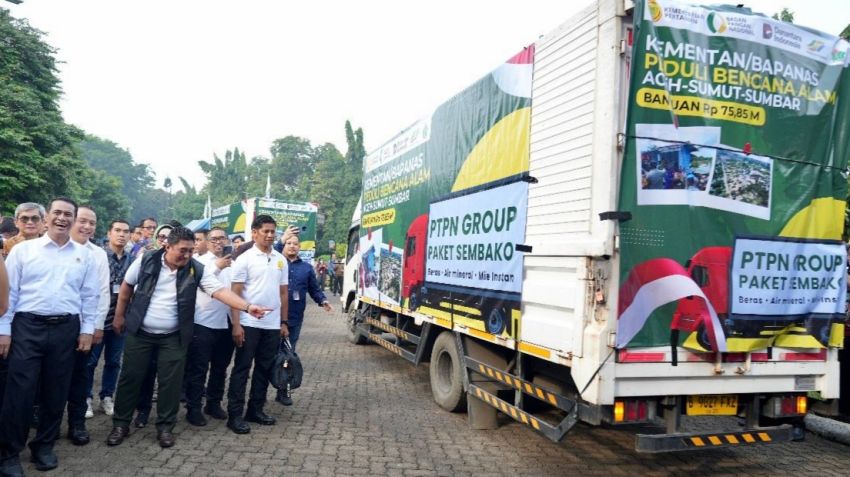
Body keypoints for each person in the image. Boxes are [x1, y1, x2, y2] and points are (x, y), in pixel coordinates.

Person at [106, 227, 269, 448]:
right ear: (167, 246)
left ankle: (165, 427)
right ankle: (121, 424)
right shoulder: (146, 260)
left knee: (170, 384)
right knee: (130, 379)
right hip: (139, 333)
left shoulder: (195, 269)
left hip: (173, 337)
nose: (187, 255)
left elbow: (220, 291)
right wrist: (119, 316)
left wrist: (248, 307)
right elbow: (126, 287)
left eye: (191, 250)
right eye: (183, 250)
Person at [0, 197, 99, 475]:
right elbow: (10, 294)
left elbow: (89, 296)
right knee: (19, 392)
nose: (62, 218)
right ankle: (9, 453)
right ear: (46, 218)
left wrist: (87, 330)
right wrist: (4, 331)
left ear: (74, 219)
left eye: (68, 214)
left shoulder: (84, 255)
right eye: (57, 212)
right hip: (26, 327)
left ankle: (43, 446)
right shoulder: (24, 252)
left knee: (56, 392)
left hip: (66, 330)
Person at [226, 215, 289, 434]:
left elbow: (283, 293)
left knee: (264, 368)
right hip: (248, 323)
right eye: (266, 231)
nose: (270, 235)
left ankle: (255, 409)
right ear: (254, 232)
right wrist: (236, 324)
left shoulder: (281, 259)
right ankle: (234, 415)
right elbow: (235, 294)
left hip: (272, 326)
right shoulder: (244, 259)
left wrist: (283, 322)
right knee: (242, 368)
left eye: (273, 231)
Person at [65, 206, 110, 446]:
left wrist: (97, 326)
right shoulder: (51, 248)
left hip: (85, 326)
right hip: (58, 325)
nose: (87, 227)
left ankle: (77, 423)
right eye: (82, 221)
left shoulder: (98, 253)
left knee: (81, 376)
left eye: (92, 223)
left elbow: (102, 292)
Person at [184, 227, 234, 426]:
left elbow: (236, 293)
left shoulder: (234, 264)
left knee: (220, 367)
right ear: (206, 241)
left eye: (222, 238)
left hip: (226, 322)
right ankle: (193, 407)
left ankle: (213, 403)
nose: (218, 242)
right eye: (214, 239)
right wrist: (217, 267)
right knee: (198, 368)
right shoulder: (199, 263)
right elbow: (193, 285)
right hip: (203, 322)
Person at [275, 234, 332, 406]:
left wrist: (323, 301)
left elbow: (314, 290)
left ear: (300, 247)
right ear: (283, 245)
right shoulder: (275, 262)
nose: (292, 246)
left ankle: (283, 391)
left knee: (287, 357)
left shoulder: (306, 268)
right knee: (267, 356)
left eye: (295, 244)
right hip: (270, 318)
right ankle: (259, 393)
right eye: (288, 243)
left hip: (293, 320)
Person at [85, 219, 132, 420]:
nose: (122, 234)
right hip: (98, 319)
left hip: (119, 321)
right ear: (109, 233)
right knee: (90, 362)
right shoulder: (98, 256)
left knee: (114, 362)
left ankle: (107, 396)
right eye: (118, 230)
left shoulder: (132, 260)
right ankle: (85, 398)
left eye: (126, 231)